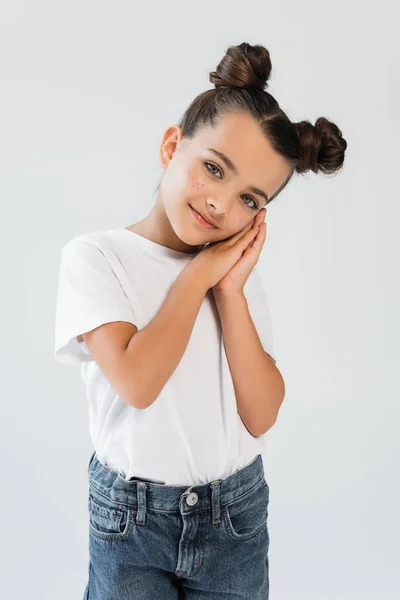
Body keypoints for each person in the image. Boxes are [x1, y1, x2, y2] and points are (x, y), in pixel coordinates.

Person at [54, 42, 347, 599]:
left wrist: (229, 289)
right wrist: (197, 277)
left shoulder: (235, 278)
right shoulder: (96, 257)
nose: (220, 203)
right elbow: (138, 383)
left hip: (233, 519)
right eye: (213, 168)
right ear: (171, 146)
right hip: (131, 524)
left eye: (249, 199)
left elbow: (260, 415)